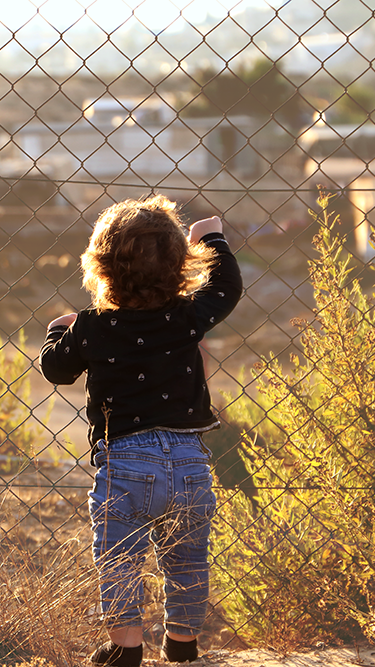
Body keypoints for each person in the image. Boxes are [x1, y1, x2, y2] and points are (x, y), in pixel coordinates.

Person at [39, 195, 242, 666]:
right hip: (190, 461)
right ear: (180, 267)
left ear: (101, 267)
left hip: (125, 463)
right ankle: (183, 643)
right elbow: (227, 287)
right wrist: (211, 237)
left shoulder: (92, 328)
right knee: (188, 558)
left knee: (120, 559)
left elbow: (56, 370)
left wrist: (58, 329)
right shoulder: (187, 316)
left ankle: (126, 648)